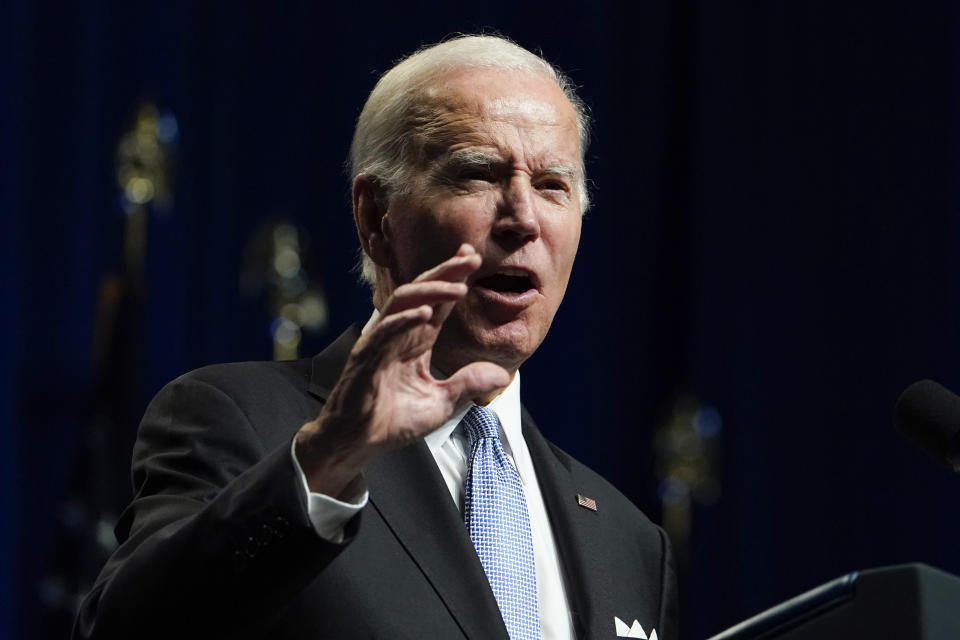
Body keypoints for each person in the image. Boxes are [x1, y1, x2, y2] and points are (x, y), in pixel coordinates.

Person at [74, 35, 678, 640]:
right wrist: (329, 458)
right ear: (375, 218)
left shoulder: (628, 542)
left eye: (553, 185)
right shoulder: (241, 424)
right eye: (477, 174)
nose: (523, 217)